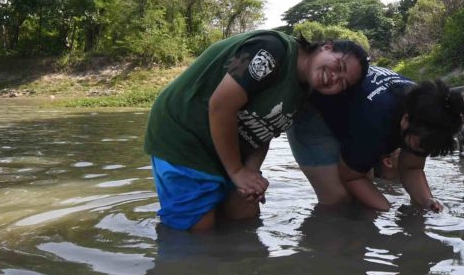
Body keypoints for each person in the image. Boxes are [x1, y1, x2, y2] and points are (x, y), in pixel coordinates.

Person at [144, 30, 369, 232]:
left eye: (342, 83)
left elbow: (264, 129)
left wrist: (251, 172)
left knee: (245, 218)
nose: (334, 78)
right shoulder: (270, 49)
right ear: (326, 47)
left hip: (228, 147)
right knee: (198, 233)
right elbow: (221, 105)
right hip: (183, 133)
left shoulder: (305, 92)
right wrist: (236, 171)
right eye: (339, 66)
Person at [287, 65, 464, 213]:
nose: (421, 152)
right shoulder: (375, 123)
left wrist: (427, 201)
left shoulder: (430, 116)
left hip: (356, 111)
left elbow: (412, 167)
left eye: (428, 149)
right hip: (312, 113)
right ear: (406, 120)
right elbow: (351, 177)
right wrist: (387, 211)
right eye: (419, 146)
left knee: (365, 193)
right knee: (339, 200)